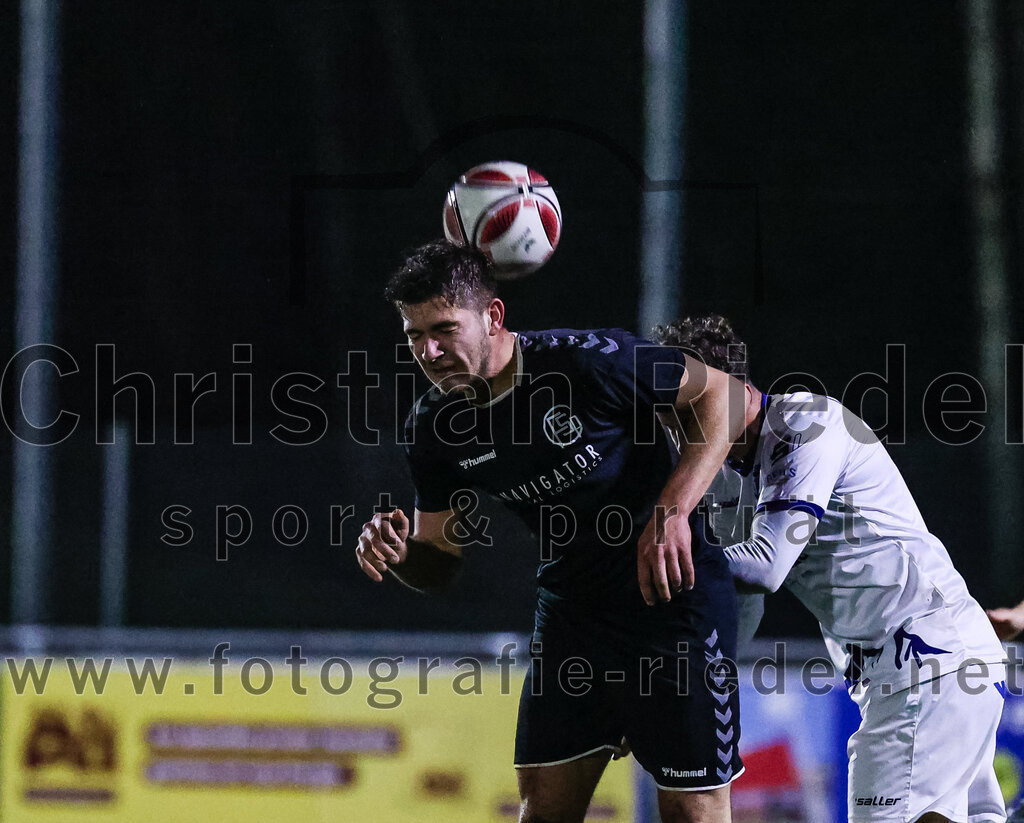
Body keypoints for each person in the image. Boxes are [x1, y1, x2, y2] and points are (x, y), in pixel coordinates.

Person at [355, 241, 749, 823]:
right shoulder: (435, 428)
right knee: (542, 813)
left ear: (492, 316)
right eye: (414, 336)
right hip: (573, 615)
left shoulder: (590, 362)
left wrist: (672, 510)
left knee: (692, 814)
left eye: (444, 328)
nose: (429, 351)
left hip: (671, 602)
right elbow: (441, 562)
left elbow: (726, 395)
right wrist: (400, 554)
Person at [655, 314, 1009, 823]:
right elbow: (748, 598)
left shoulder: (805, 424)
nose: (685, 436)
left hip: (926, 671)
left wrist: (666, 551)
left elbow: (766, 567)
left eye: (688, 416)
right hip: (933, 672)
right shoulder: (730, 475)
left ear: (727, 391)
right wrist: (701, 683)